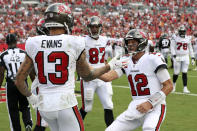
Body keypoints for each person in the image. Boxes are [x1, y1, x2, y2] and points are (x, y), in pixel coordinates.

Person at [14, 3, 124, 131]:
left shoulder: (33, 42)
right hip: (65, 103)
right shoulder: (75, 42)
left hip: (44, 106)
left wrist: (31, 97)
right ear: (66, 21)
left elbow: (19, 80)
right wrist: (109, 66)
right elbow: (87, 75)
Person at [99, 29, 173, 131]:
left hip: (155, 106)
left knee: (149, 128)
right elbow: (107, 77)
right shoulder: (125, 60)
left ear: (142, 43)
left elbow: (169, 85)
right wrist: (88, 69)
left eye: (133, 42)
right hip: (136, 106)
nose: (130, 45)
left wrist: (150, 103)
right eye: (128, 42)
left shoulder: (153, 58)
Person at [79, 16, 114, 127]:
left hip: (103, 77)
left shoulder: (105, 40)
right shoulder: (83, 40)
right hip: (89, 77)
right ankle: (73, 127)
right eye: (92, 27)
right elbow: (80, 60)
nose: (94, 29)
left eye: (96, 27)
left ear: (100, 28)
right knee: (87, 107)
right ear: (88, 28)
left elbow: (104, 58)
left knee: (108, 105)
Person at [0, 33, 33, 131]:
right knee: (25, 105)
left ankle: (16, 129)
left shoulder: (3, 55)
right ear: (16, 41)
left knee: (13, 109)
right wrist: (34, 83)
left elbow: (1, 73)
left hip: (11, 84)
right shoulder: (24, 53)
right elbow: (30, 70)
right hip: (22, 83)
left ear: (7, 43)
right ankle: (28, 123)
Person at [32, 18, 48, 131]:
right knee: (42, 123)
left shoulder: (33, 43)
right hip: (43, 85)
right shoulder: (36, 44)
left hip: (46, 84)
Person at [170, 25, 195, 93]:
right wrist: (174, 55)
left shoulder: (188, 38)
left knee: (184, 72)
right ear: (179, 32)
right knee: (176, 72)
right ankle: (173, 86)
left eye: (183, 31)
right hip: (177, 56)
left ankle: (185, 88)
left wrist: (192, 57)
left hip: (185, 56)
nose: (182, 33)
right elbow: (172, 47)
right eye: (181, 31)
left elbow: (190, 48)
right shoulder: (175, 38)